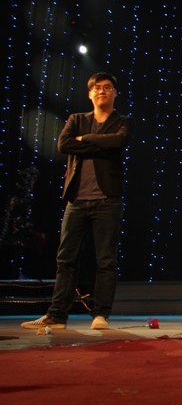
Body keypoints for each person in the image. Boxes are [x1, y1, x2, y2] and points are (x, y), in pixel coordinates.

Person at [22, 72, 135, 330]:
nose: (102, 91)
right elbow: (64, 145)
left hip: (107, 200)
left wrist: (85, 140)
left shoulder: (124, 122)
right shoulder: (77, 119)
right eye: (97, 88)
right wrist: (101, 145)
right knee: (65, 259)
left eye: (107, 87)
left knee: (105, 260)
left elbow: (119, 141)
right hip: (76, 200)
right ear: (90, 94)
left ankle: (101, 314)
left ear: (115, 93)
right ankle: (57, 316)